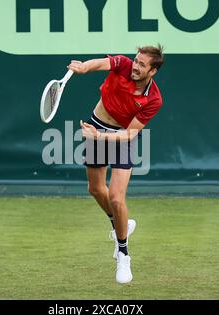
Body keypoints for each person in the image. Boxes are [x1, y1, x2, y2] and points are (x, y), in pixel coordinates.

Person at [67, 45, 164, 284]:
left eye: (142, 65)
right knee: (95, 189)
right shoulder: (122, 65)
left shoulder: (153, 99)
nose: (136, 66)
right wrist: (83, 68)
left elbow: (130, 135)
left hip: (120, 136)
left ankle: (123, 253)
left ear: (153, 71)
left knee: (116, 197)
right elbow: (99, 64)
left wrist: (99, 137)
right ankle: (120, 223)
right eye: (136, 60)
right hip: (96, 123)